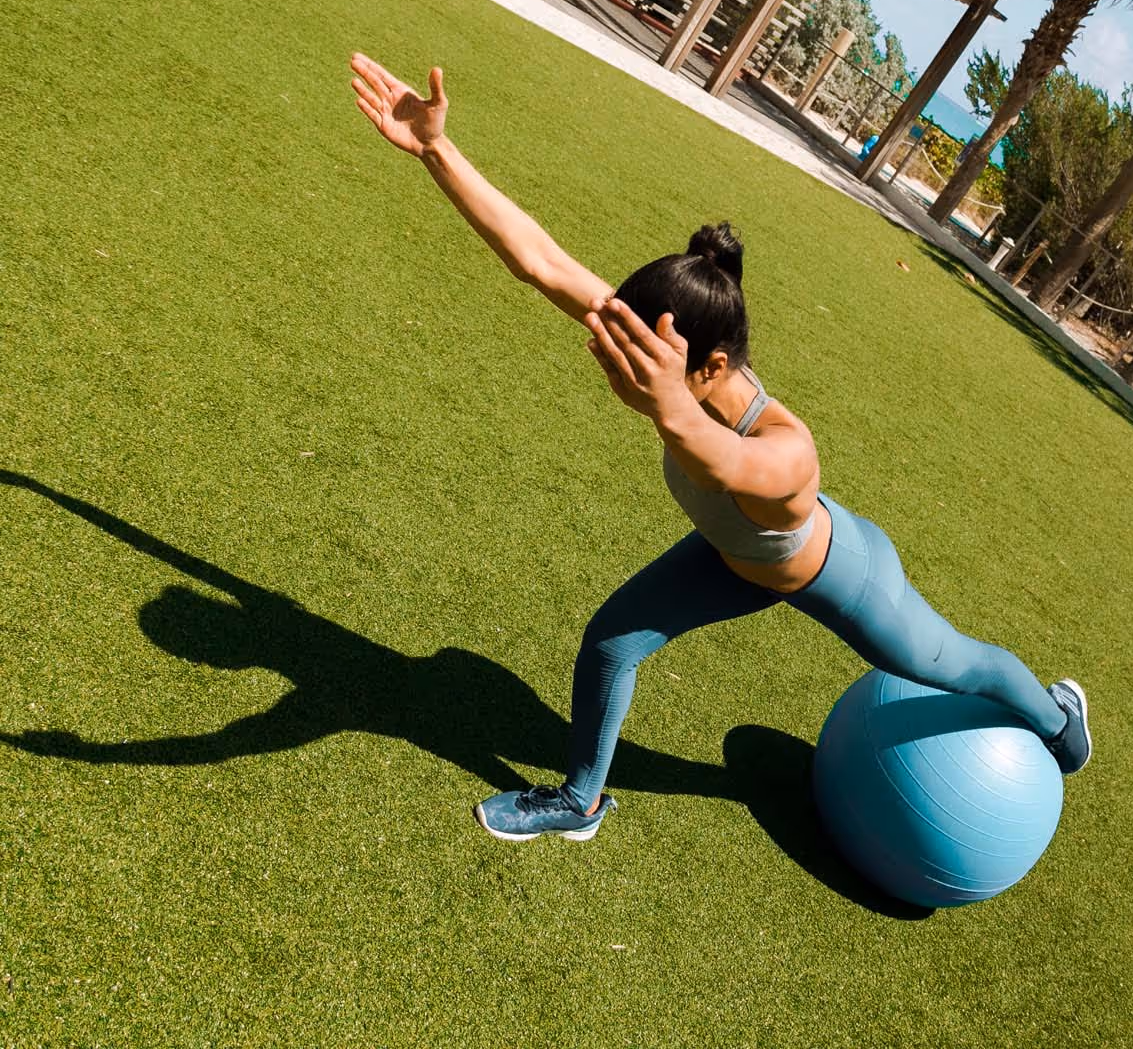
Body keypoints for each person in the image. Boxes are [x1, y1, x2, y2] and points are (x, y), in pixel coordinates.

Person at [349, 54, 1092, 842]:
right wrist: (437, 149)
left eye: (644, 359)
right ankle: (581, 802)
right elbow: (540, 261)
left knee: (956, 667)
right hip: (731, 558)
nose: (618, 360)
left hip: (845, 579)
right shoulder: (682, 363)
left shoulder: (784, 449)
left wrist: (666, 405)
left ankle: (1058, 719)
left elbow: (726, 464)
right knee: (611, 642)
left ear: (708, 367)